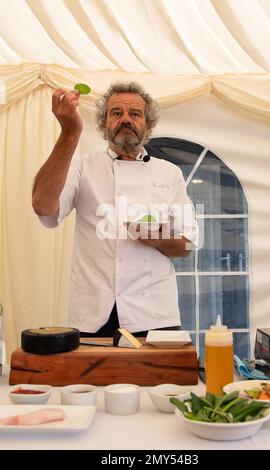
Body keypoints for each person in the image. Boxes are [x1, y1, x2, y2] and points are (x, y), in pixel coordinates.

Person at [32, 81, 198, 337]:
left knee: (161, 380)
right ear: (103, 124)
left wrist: (159, 240)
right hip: (93, 315)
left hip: (154, 314)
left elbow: (189, 243)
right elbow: (43, 207)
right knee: (89, 379)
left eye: (135, 114)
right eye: (116, 113)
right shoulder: (82, 166)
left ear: (148, 125)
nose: (125, 119)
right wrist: (69, 134)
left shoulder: (170, 173)